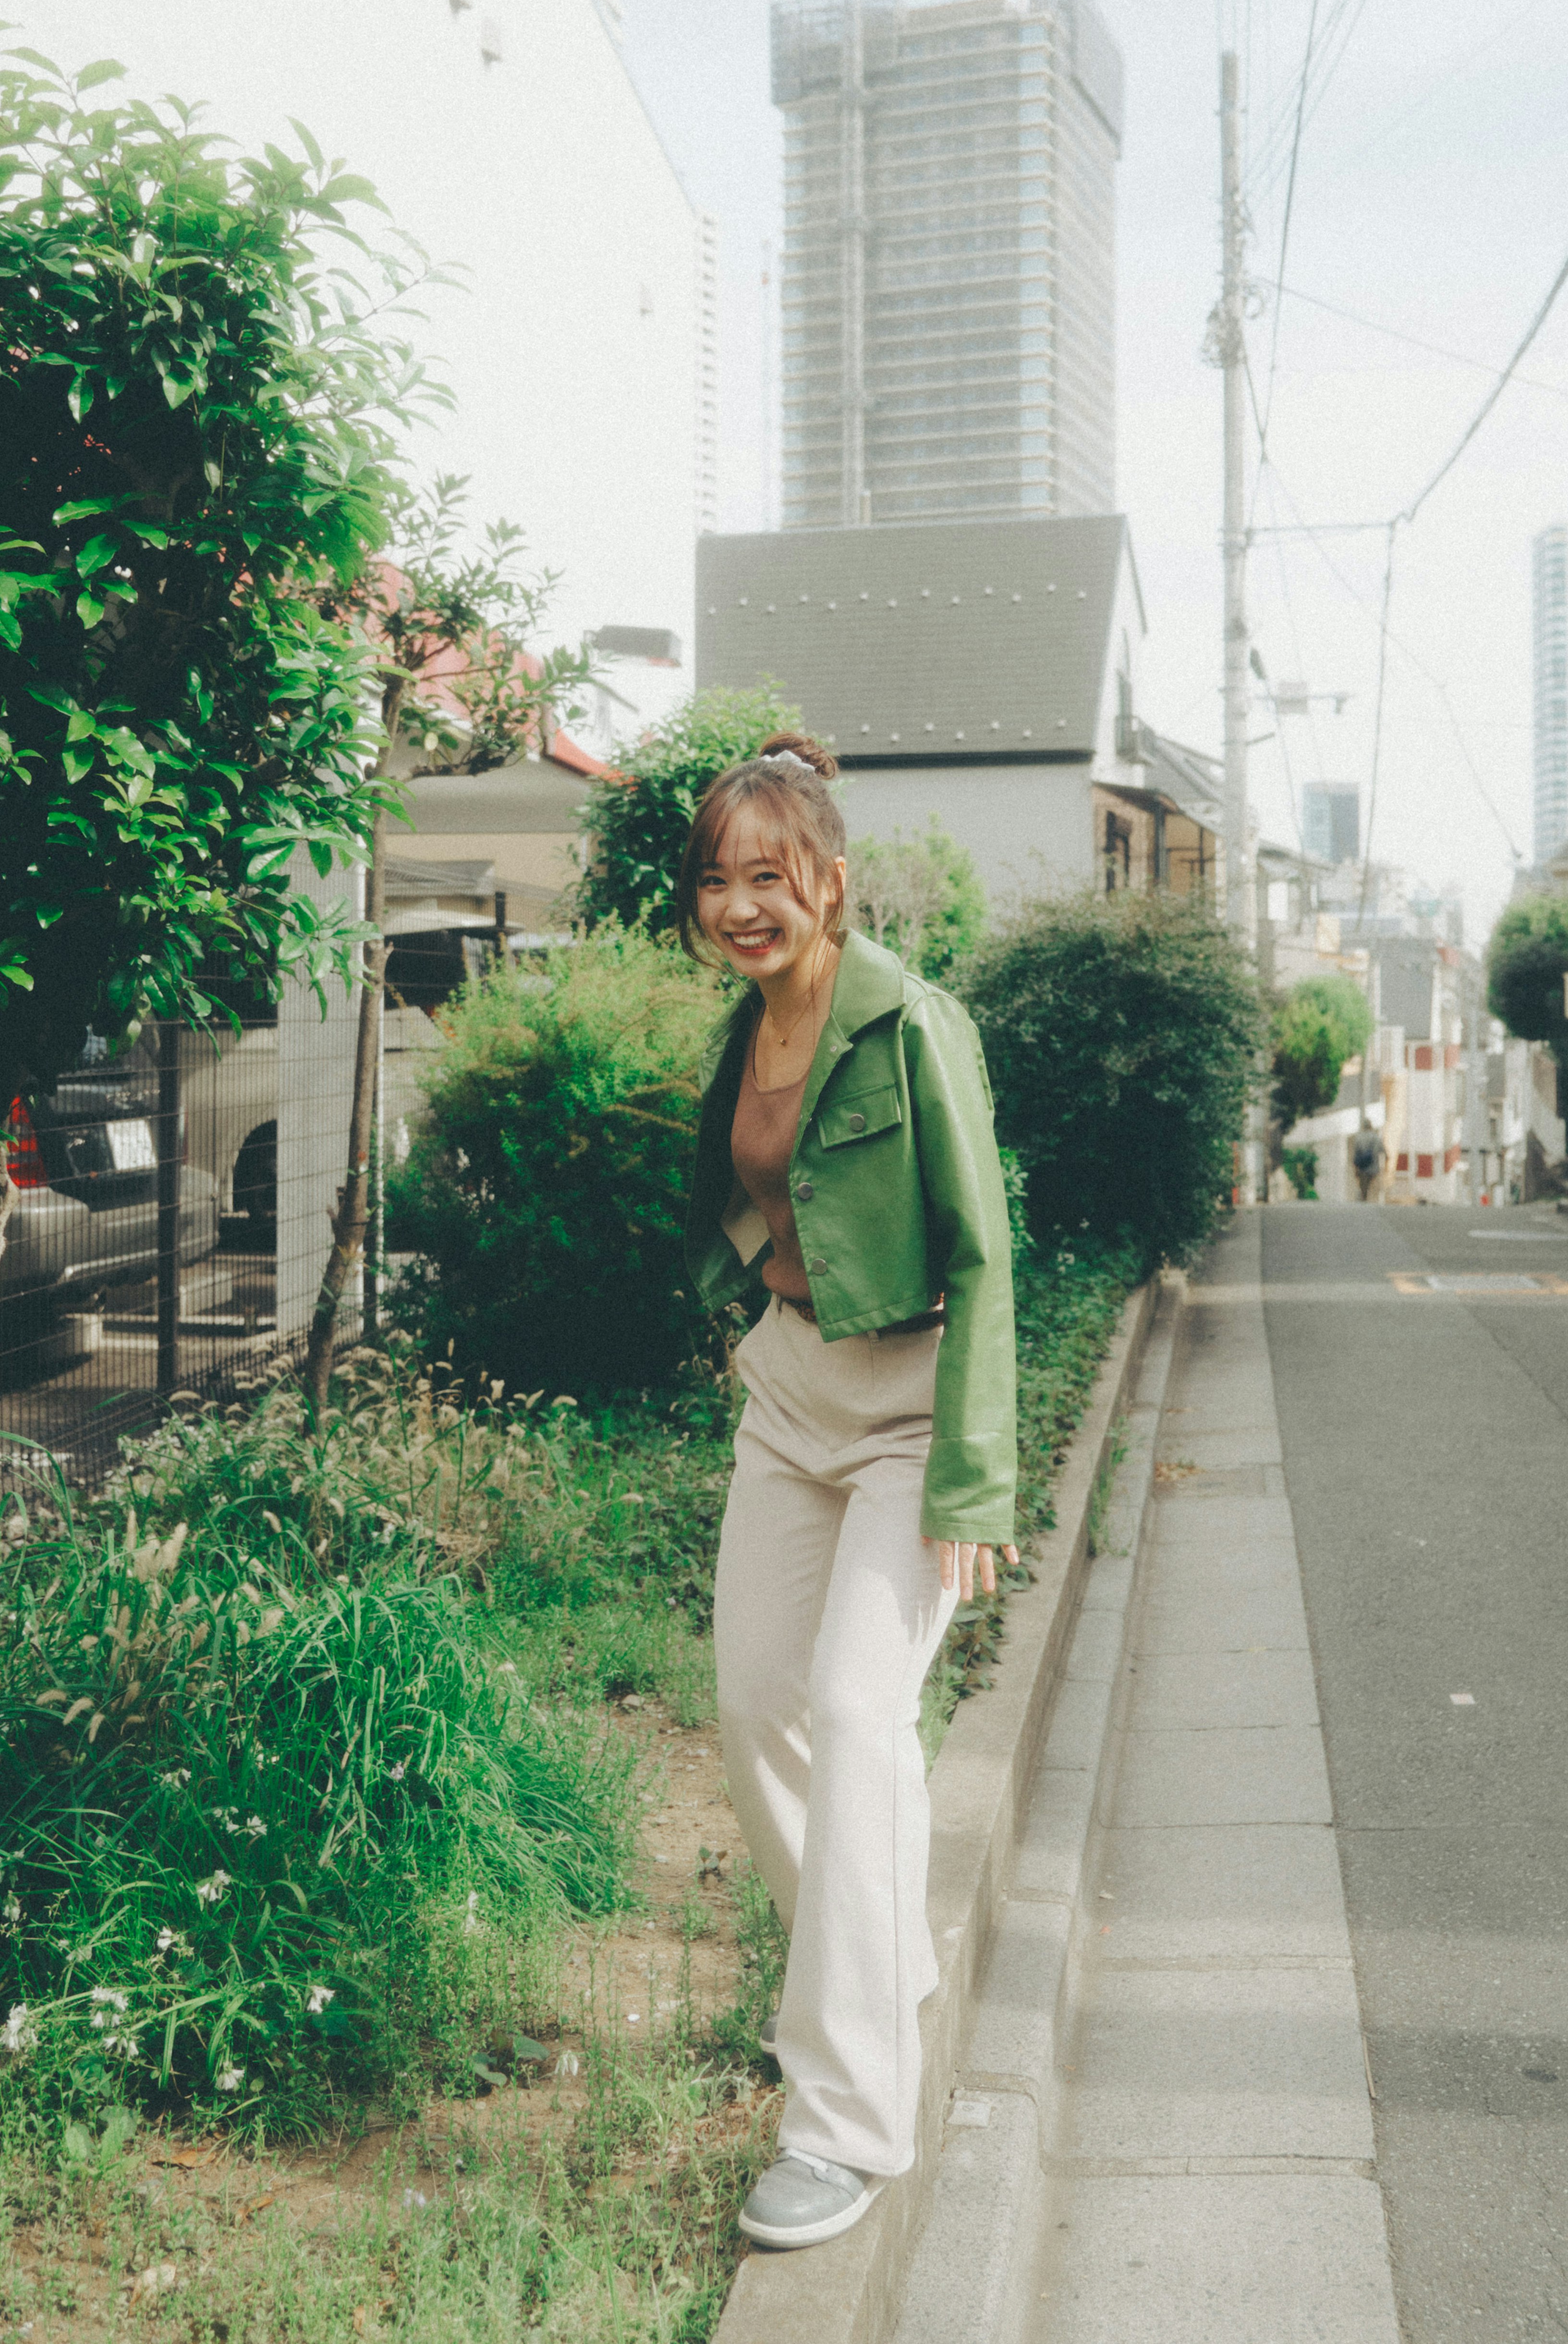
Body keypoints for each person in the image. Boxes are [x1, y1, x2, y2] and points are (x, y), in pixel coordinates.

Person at [681, 731, 1018, 2254]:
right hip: (790, 1392)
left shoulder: (907, 1018)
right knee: (757, 1696)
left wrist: (974, 1472)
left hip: (909, 1406)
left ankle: (846, 2114)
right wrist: (747, 1298)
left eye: (767, 873)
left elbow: (982, 1251)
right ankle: (867, 1964)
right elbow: (724, 1188)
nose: (739, 903)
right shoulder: (742, 1032)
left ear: (822, 872)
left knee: (862, 1714)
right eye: (716, 879)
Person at [1352, 1119, 1385, 1201]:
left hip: (1362, 1168)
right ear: (1371, 1126)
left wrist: (1356, 1169)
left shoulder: (1359, 1138)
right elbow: (1383, 1151)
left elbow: (1356, 1154)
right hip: (1374, 1168)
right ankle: (1372, 1204)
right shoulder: (1376, 1137)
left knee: (1364, 1188)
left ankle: (1364, 1202)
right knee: (1373, 1188)